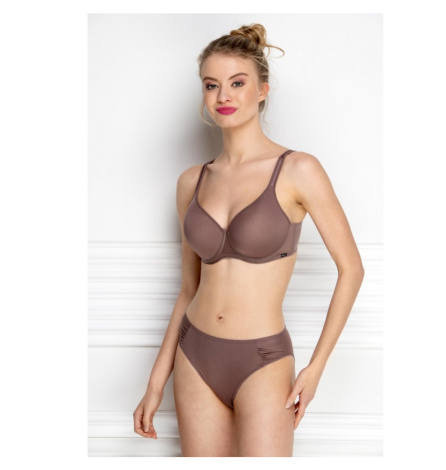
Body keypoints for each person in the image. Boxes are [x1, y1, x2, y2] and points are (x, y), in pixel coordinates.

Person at [133, 23, 365, 457]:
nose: (224, 95)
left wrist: (316, 368)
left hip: (263, 360)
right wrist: (155, 382)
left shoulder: (298, 170)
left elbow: (352, 270)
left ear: (262, 90)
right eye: (211, 85)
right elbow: (188, 289)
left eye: (237, 83)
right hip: (194, 356)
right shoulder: (191, 182)